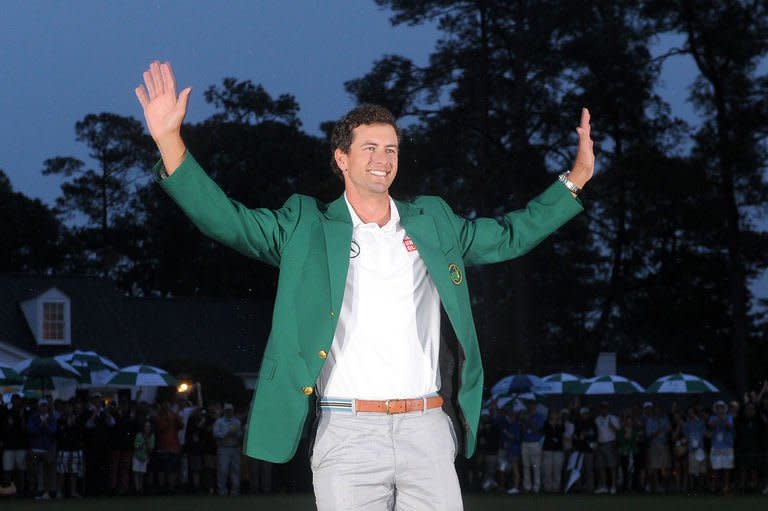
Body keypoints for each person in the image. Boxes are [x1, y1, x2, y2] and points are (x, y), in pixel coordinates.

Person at [135, 60, 594, 510]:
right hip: (348, 431)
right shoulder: (306, 225)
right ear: (342, 158)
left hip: (427, 428)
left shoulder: (433, 222)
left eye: (391, 149)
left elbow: (511, 234)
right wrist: (170, 140)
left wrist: (573, 181)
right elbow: (227, 222)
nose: (383, 159)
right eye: (370, 148)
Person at [27, 399, 57, 500]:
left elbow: (53, 431)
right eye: (42, 406)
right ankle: (38, 492)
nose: (44, 408)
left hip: (47, 449)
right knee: (36, 471)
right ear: (38, 407)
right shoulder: (33, 418)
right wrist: (41, 426)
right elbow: (31, 431)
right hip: (36, 450)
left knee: (47, 471)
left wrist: (46, 426)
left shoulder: (51, 418)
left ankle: (46, 492)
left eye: (45, 406)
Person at [213, 403, 242, 496]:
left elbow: (241, 435)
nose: (229, 412)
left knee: (235, 470)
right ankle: (222, 490)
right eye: (227, 410)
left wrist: (236, 434)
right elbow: (216, 434)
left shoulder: (237, 422)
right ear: (224, 411)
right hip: (223, 448)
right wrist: (227, 433)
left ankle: (235, 491)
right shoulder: (219, 422)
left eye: (230, 410)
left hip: (235, 448)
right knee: (223, 470)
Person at [594, 401, 620, 494]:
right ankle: (604, 486)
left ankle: (613, 486)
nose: (603, 410)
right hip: (600, 444)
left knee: (612, 466)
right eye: (602, 408)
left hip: (610, 444)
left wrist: (611, 426)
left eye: (605, 408)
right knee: (601, 467)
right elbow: (595, 432)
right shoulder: (597, 419)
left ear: (608, 409)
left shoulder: (613, 418)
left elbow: (618, 431)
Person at [708, 400, 734, 494]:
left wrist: (723, 418)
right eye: (718, 407)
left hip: (727, 446)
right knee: (715, 468)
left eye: (722, 407)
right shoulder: (712, 418)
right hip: (716, 446)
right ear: (716, 409)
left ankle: (726, 487)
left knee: (727, 468)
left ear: (724, 408)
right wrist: (718, 418)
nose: (720, 409)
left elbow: (729, 426)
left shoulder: (729, 417)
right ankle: (715, 487)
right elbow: (711, 426)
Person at [541, 408, 565, 493]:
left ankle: (556, 487)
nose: (553, 415)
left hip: (558, 449)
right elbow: (545, 432)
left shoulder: (561, 423)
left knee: (557, 469)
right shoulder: (546, 423)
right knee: (547, 469)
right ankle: (547, 487)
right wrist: (551, 427)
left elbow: (561, 432)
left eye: (555, 413)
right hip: (548, 448)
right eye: (552, 413)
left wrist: (557, 425)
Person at [133, 420, 155, 495]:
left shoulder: (152, 436)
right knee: (136, 473)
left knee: (142, 474)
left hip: (145, 457)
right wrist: (143, 442)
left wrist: (147, 443)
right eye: (146, 426)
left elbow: (151, 448)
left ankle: (140, 489)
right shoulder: (139, 435)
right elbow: (136, 446)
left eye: (149, 426)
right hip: (137, 456)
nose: (147, 428)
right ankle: (137, 489)